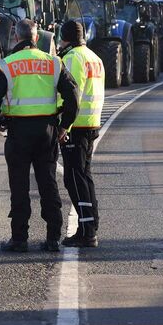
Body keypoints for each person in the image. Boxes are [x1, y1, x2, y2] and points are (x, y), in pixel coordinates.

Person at [0, 19, 79, 252]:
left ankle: (19, 239)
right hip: (46, 131)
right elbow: (73, 95)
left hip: (18, 131)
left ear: (16, 37)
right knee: (48, 183)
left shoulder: (6, 65)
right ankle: (52, 238)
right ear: (37, 38)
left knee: (19, 186)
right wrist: (65, 125)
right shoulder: (54, 63)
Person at [57, 21, 104, 247]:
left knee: (74, 179)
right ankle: (91, 224)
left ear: (65, 38)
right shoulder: (94, 57)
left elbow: (72, 95)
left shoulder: (72, 58)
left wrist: (63, 124)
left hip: (76, 126)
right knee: (85, 176)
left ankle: (86, 231)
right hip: (91, 123)